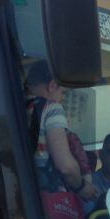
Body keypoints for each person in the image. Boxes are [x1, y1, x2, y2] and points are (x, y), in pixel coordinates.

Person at [27, 61, 98, 201]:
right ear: (52, 85)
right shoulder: (52, 108)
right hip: (47, 202)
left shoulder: (16, 108)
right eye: (63, 92)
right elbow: (65, 166)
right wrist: (81, 187)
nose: (62, 98)